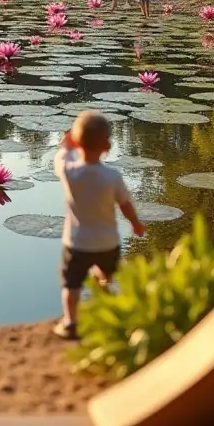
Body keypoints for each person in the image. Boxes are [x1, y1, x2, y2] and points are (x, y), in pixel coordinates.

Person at [52, 110, 145, 340]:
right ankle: (104, 309)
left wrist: (66, 145)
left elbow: (60, 157)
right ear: (107, 145)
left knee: (71, 284)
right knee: (106, 276)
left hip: (76, 243)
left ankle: (71, 323)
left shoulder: (69, 171)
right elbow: (125, 205)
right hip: (107, 243)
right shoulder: (113, 176)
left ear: (76, 141)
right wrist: (136, 224)